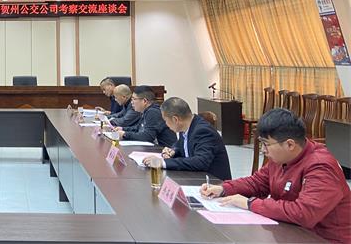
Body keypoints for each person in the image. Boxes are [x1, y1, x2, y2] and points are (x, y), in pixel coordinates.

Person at [200, 108, 350, 243]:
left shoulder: (321, 166)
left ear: (290, 144)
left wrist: (250, 204)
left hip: (323, 238)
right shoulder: (281, 157)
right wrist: (224, 189)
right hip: (290, 231)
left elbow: (304, 213)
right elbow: (257, 182)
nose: (263, 150)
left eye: (266, 144)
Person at [142, 97, 231, 180]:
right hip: (195, 177)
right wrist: (173, 150)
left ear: (175, 119)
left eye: (165, 120)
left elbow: (200, 161)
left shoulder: (203, 131)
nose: (165, 124)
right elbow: (181, 146)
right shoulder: (185, 127)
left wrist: (162, 162)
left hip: (213, 182)